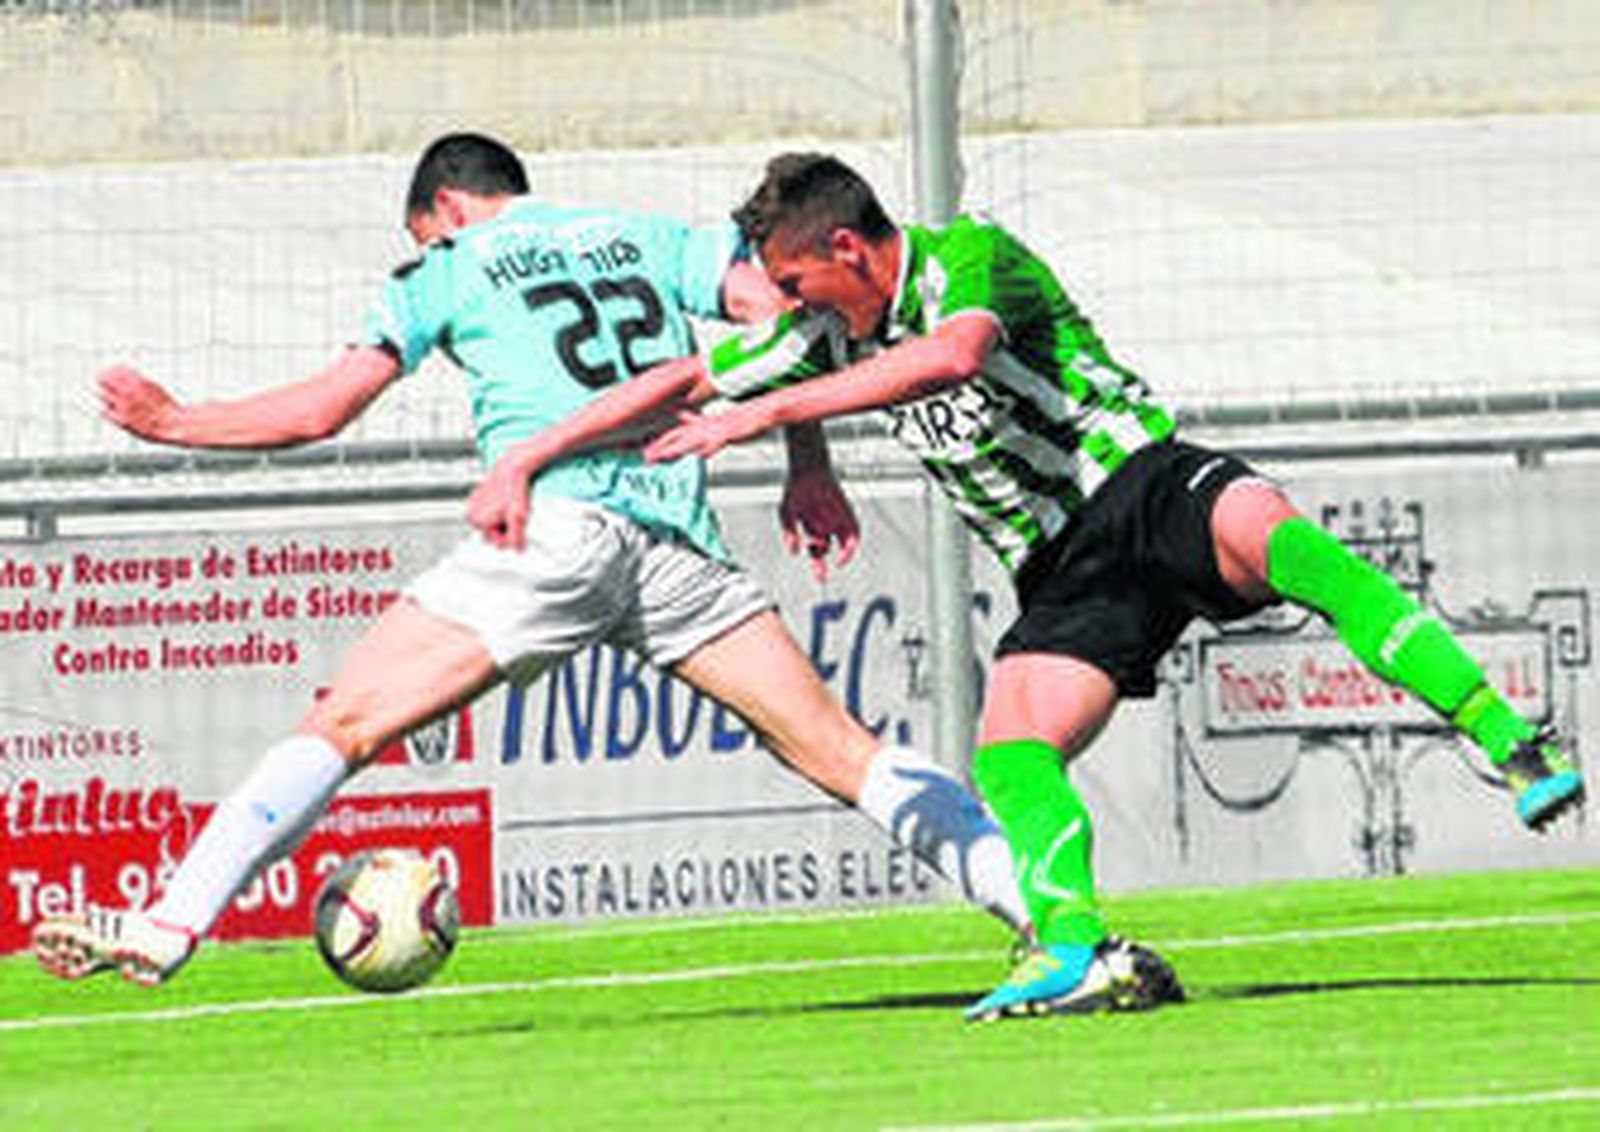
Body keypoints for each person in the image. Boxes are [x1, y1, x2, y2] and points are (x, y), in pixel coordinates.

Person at [31, 133, 1036, 989]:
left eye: (425, 233)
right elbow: (779, 321)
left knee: (344, 719)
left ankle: (167, 922)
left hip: (554, 529)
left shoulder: (447, 266)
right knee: (839, 749)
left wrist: (176, 422)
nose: (427, 248)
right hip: (674, 531)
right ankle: (1054, 924)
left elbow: (320, 410)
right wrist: (805, 464)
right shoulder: (648, 235)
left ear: (449, 209)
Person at [607, 151, 1585, 1021]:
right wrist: (531, 455)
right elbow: (687, 380)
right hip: (1062, 567)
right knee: (1010, 752)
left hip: (1139, 482)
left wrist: (765, 415)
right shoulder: (826, 336)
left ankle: (1510, 738)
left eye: (794, 280)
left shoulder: (970, 255)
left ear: (852, 250)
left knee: (1292, 549)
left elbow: (952, 355)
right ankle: (1074, 953)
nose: (790, 302)